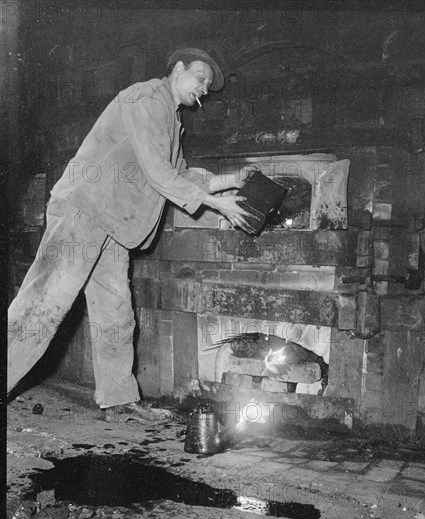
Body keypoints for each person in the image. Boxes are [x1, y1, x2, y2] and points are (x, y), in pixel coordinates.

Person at [7, 47, 253, 422]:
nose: (203, 89)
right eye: (200, 78)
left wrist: (229, 183)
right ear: (178, 68)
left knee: (116, 313)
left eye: (208, 86)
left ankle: (119, 400)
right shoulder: (145, 97)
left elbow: (180, 173)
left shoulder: (171, 121)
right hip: (84, 209)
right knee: (44, 306)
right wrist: (214, 205)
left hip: (114, 223)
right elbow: (158, 171)